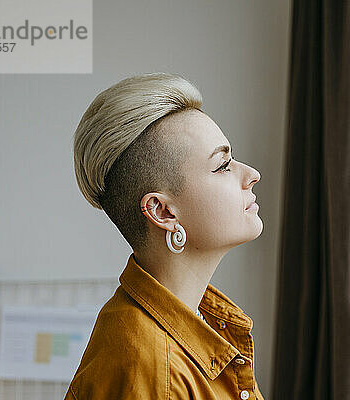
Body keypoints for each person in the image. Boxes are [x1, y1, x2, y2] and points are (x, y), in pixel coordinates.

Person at [65, 72, 264, 399]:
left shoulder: (195, 324)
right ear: (163, 212)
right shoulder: (154, 371)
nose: (252, 175)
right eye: (223, 165)